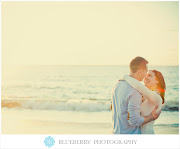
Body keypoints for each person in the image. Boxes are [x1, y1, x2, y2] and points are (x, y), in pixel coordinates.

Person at [111, 56, 161, 134]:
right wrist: (152, 117)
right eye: (145, 72)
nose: (145, 75)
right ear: (140, 72)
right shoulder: (135, 91)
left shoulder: (117, 85)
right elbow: (134, 121)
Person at [123, 69, 166, 134]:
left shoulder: (157, 97)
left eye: (149, 75)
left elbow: (138, 86)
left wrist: (125, 77)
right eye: (146, 75)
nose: (145, 77)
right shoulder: (143, 95)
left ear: (157, 80)